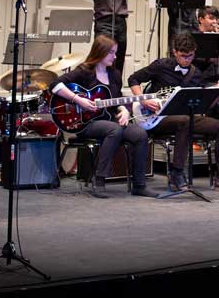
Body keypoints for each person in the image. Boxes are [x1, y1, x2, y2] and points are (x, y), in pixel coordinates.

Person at [128, 32, 219, 192]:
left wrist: (218, 95)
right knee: (184, 121)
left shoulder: (196, 73)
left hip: (186, 118)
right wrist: (142, 99)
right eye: (183, 56)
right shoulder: (161, 65)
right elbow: (133, 79)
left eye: (190, 56)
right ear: (175, 51)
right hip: (157, 118)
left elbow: (203, 107)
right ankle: (177, 173)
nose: (187, 60)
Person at [49, 35, 152, 198]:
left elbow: (116, 99)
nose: (115, 56)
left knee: (140, 134)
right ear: (101, 52)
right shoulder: (84, 71)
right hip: (86, 123)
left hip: (109, 119)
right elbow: (55, 85)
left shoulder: (115, 74)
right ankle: (99, 179)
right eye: (111, 53)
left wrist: (125, 110)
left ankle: (139, 184)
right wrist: (78, 100)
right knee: (115, 130)